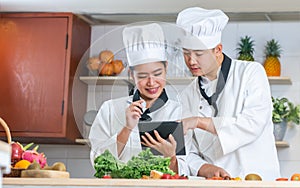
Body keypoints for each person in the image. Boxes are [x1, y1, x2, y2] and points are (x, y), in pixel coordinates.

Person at [175, 7, 281, 180]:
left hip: (257, 180)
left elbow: (252, 123)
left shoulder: (250, 73)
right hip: (216, 183)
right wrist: (203, 167)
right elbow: (187, 151)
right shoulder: (187, 95)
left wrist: (199, 122)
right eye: (186, 53)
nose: (191, 61)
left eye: (199, 54)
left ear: (218, 49)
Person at [89, 23, 188, 175]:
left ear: (166, 68)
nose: (151, 82)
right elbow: (98, 162)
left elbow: (187, 170)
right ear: (131, 74)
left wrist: (172, 157)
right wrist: (127, 128)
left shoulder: (181, 111)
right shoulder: (109, 109)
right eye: (142, 76)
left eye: (157, 73)